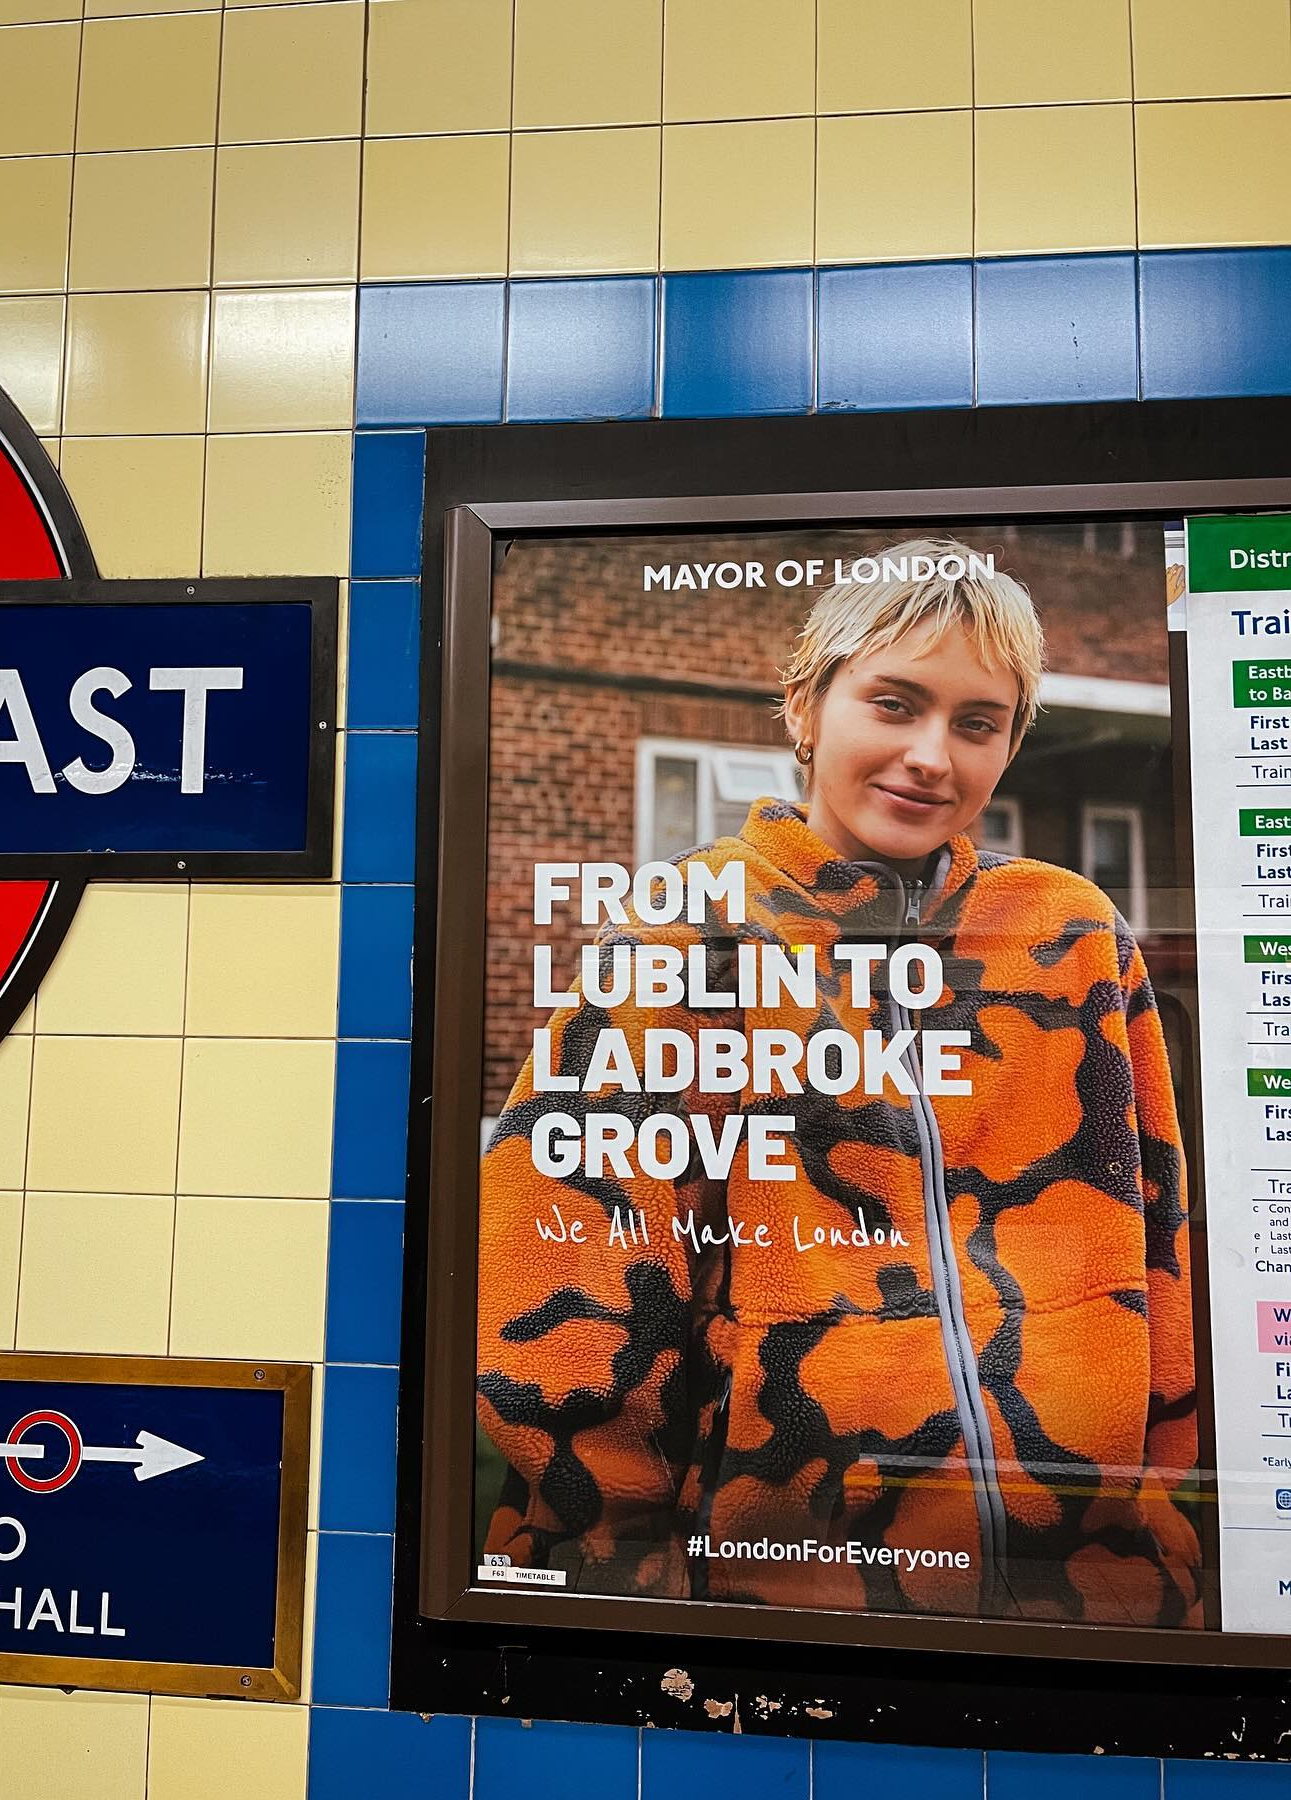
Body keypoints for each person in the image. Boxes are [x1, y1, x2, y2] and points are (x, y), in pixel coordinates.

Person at [476, 538, 1201, 1628]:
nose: (931, 756)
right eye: (895, 704)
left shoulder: (1073, 932)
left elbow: (1162, 1243)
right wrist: (617, 1576)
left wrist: (1171, 1524)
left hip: (1095, 1601)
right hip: (787, 1597)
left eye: (976, 723)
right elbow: (563, 1272)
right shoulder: (690, 933)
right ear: (806, 707)